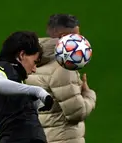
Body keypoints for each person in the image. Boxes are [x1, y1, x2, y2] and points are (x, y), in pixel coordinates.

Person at [26, 14, 97, 143]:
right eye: (76, 37)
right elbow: (76, 113)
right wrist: (88, 94)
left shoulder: (28, 60)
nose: (81, 41)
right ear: (64, 37)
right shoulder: (64, 66)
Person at [0, 31, 54, 143]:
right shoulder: (2, 67)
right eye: (34, 62)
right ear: (22, 55)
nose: (34, 69)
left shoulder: (16, 79)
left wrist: (36, 103)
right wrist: (36, 91)